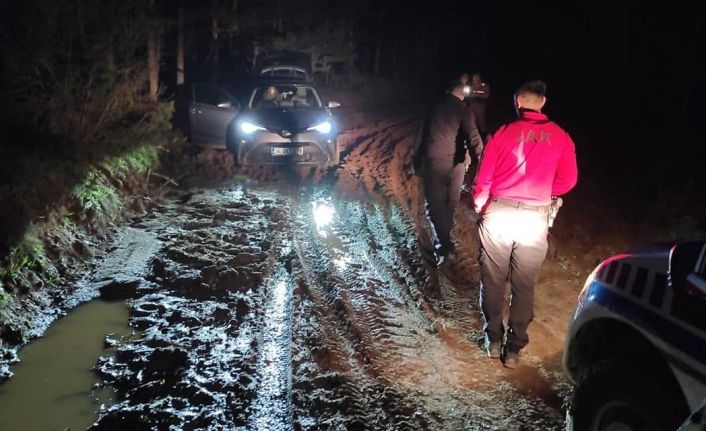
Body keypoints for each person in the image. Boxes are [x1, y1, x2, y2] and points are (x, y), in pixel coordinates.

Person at [471, 80, 577, 368]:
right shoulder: (561, 137)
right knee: (524, 284)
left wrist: (481, 205)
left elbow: (483, 179)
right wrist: (545, 191)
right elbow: (568, 180)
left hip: (500, 213)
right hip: (534, 217)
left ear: (518, 102)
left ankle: (492, 339)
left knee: (493, 279)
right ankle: (515, 347)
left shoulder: (503, 133)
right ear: (543, 103)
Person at [421, 80, 484, 265]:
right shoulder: (464, 110)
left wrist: (417, 159)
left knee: (434, 204)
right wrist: (483, 158)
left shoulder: (434, 106)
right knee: (450, 203)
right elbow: (473, 135)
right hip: (458, 165)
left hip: (436, 162)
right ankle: (445, 241)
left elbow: (422, 134)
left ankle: (444, 244)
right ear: (461, 94)